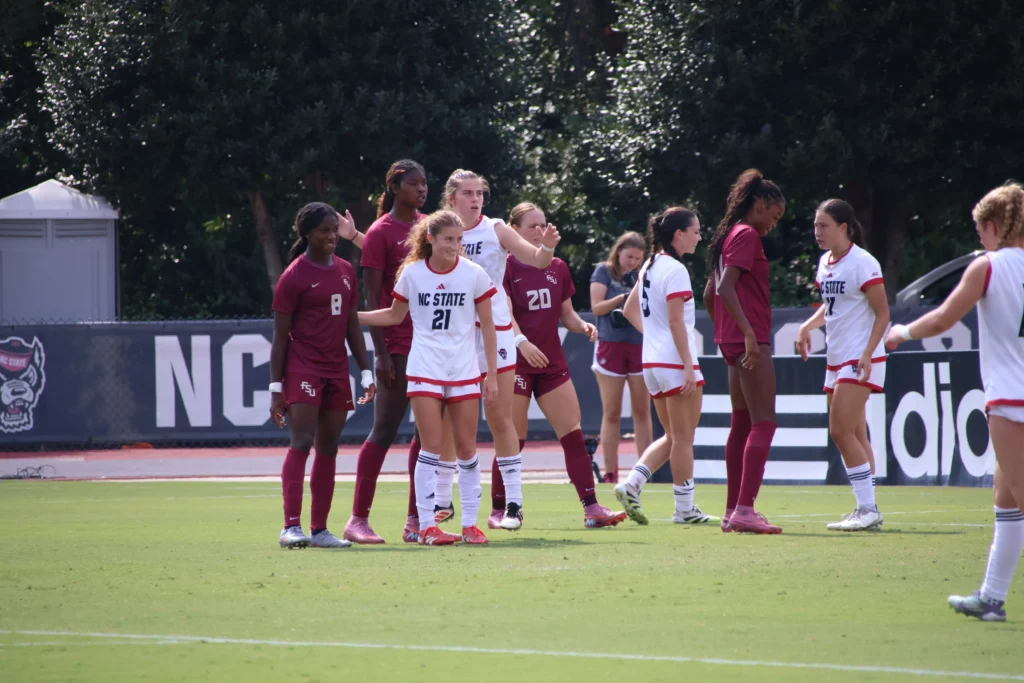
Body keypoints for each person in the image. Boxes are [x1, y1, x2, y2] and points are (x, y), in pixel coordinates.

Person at [886, 183, 1024, 622]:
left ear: (992, 226)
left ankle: (990, 598)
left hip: (1011, 398)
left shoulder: (988, 267)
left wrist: (901, 333)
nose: (979, 241)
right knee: (1005, 498)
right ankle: (991, 597)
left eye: (980, 231)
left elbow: (944, 316)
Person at [359, 210, 500, 545]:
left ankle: (469, 524)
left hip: (464, 369)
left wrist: (491, 373)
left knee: (467, 448)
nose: (455, 245)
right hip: (424, 368)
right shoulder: (412, 274)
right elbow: (395, 316)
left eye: (459, 239)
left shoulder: (474, 274)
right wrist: (353, 319)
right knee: (432, 446)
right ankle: (425, 526)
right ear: (430, 239)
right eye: (449, 239)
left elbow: (488, 325)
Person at [434, 170, 560, 531]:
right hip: (454, 336)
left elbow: (538, 260)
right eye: (468, 193)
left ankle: (513, 506)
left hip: (497, 332)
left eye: (480, 194)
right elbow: (404, 256)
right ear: (451, 198)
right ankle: (443, 502)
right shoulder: (437, 230)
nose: (476, 199)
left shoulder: (496, 229)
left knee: (499, 416)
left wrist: (547, 245)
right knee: (447, 419)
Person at [499, 202, 628, 528]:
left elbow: (566, 315)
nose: (540, 231)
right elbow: (505, 316)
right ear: (513, 231)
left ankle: (592, 509)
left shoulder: (556, 266)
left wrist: (582, 326)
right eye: (532, 226)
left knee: (572, 433)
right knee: (514, 437)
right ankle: (501, 508)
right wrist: (521, 343)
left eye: (543, 225)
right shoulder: (505, 267)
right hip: (516, 363)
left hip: (551, 361)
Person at [270, 202, 376, 550]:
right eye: (324, 231)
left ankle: (319, 531)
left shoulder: (346, 270)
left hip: (335, 369)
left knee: (328, 448)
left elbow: (352, 327)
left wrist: (364, 370)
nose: (332, 236)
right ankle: (290, 527)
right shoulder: (294, 276)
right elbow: (280, 337)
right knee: (301, 442)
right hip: (303, 367)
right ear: (307, 234)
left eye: (334, 230)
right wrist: (276, 389)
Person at [613, 208, 719, 526]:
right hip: (673, 361)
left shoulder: (649, 265)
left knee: (673, 435)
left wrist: (655, 338)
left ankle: (631, 485)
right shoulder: (674, 269)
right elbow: (675, 321)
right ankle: (684, 509)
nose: (700, 237)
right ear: (678, 234)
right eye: (696, 231)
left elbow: (629, 310)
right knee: (684, 437)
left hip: (652, 362)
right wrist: (688, 365)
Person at [342, 159, 428, 545]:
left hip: (431, 345)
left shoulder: (429, 226)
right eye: (414, 184)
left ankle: (416, 520)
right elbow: (372, 296)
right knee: (384, 430)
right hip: (397, 346)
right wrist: (379, 353)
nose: (421, 189)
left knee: (428, 436)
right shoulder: (380, 233)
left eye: (425, 183)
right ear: (394, 187)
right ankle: (357, 519)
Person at [796, 199, 889, 531]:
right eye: (816, 225)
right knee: (855, 432)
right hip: (836, 359)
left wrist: (867, 353)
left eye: (824, 226)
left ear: (844, 228)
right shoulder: (825, 263)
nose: (817, 231)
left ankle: (867, 508)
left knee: (839, 431)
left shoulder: (863, 263)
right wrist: (807, 326)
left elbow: (883, 313)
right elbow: (831, 307)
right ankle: (869, 509)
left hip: (859, 357)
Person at [702, 168, 785, 534]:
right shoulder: (747, 234)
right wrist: (748, 334)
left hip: (731, 340)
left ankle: (732, 511)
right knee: (765, 421)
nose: (774, 224)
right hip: (749, 340)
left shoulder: (727, 235)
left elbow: (710, 293)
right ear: (761, 204)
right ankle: (745, 509)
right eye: (775, 215)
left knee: (742, 422)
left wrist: (726, 331)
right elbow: (724, 289)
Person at [590, 232, 651, 483]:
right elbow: (596, 308)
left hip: (639, 343)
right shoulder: (604, 272)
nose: (633, 262)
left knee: (642, 411)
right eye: (629, 257)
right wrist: (622, 299)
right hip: (610, 343)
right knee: (612, 412)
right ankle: (611, 473)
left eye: (638, 258)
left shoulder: (644, 273)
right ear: (618, 252)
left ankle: (644, 472)